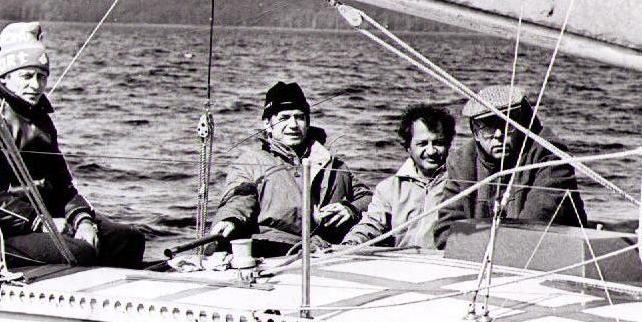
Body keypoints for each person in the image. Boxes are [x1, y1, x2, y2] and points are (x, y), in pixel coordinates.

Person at [0, 21, 146, 269]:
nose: (36, 85)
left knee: (129, 239)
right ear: (5, 76)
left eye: (42, 76)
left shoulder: (39, 117)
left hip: (43, 220)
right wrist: (41, 223)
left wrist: (82, 220)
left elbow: (62, 185)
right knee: (80, 252)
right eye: (27, 76)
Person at [210, 81, 372, 255]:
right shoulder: (250, 162)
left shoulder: (334, 164)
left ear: (307, 123)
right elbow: (239, 198)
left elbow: (370, 199)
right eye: (284, 118)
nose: (293, 125)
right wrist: (230, 219)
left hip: (327, 253)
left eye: (299, 117)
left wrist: (351, 209)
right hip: (274, 252)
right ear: (267, 124)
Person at [434, 84, 587, 249]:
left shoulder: (550, 156)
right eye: (488, 126)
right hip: (481, 257)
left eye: (507, 125)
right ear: (475, 132)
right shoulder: (461, 162)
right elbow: (445, 232)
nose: (498, 135)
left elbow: (532, 229)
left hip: (550, 254)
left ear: (521, 124)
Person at [341, 104, 454, 249]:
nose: (431, 151)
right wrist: (351, 244)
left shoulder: (460, 185)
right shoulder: (388, 188)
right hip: (400, 261)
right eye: (422, 144)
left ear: (448, 145)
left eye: (438, 143)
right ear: (408, 147)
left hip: (444, 261)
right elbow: (372, 224)